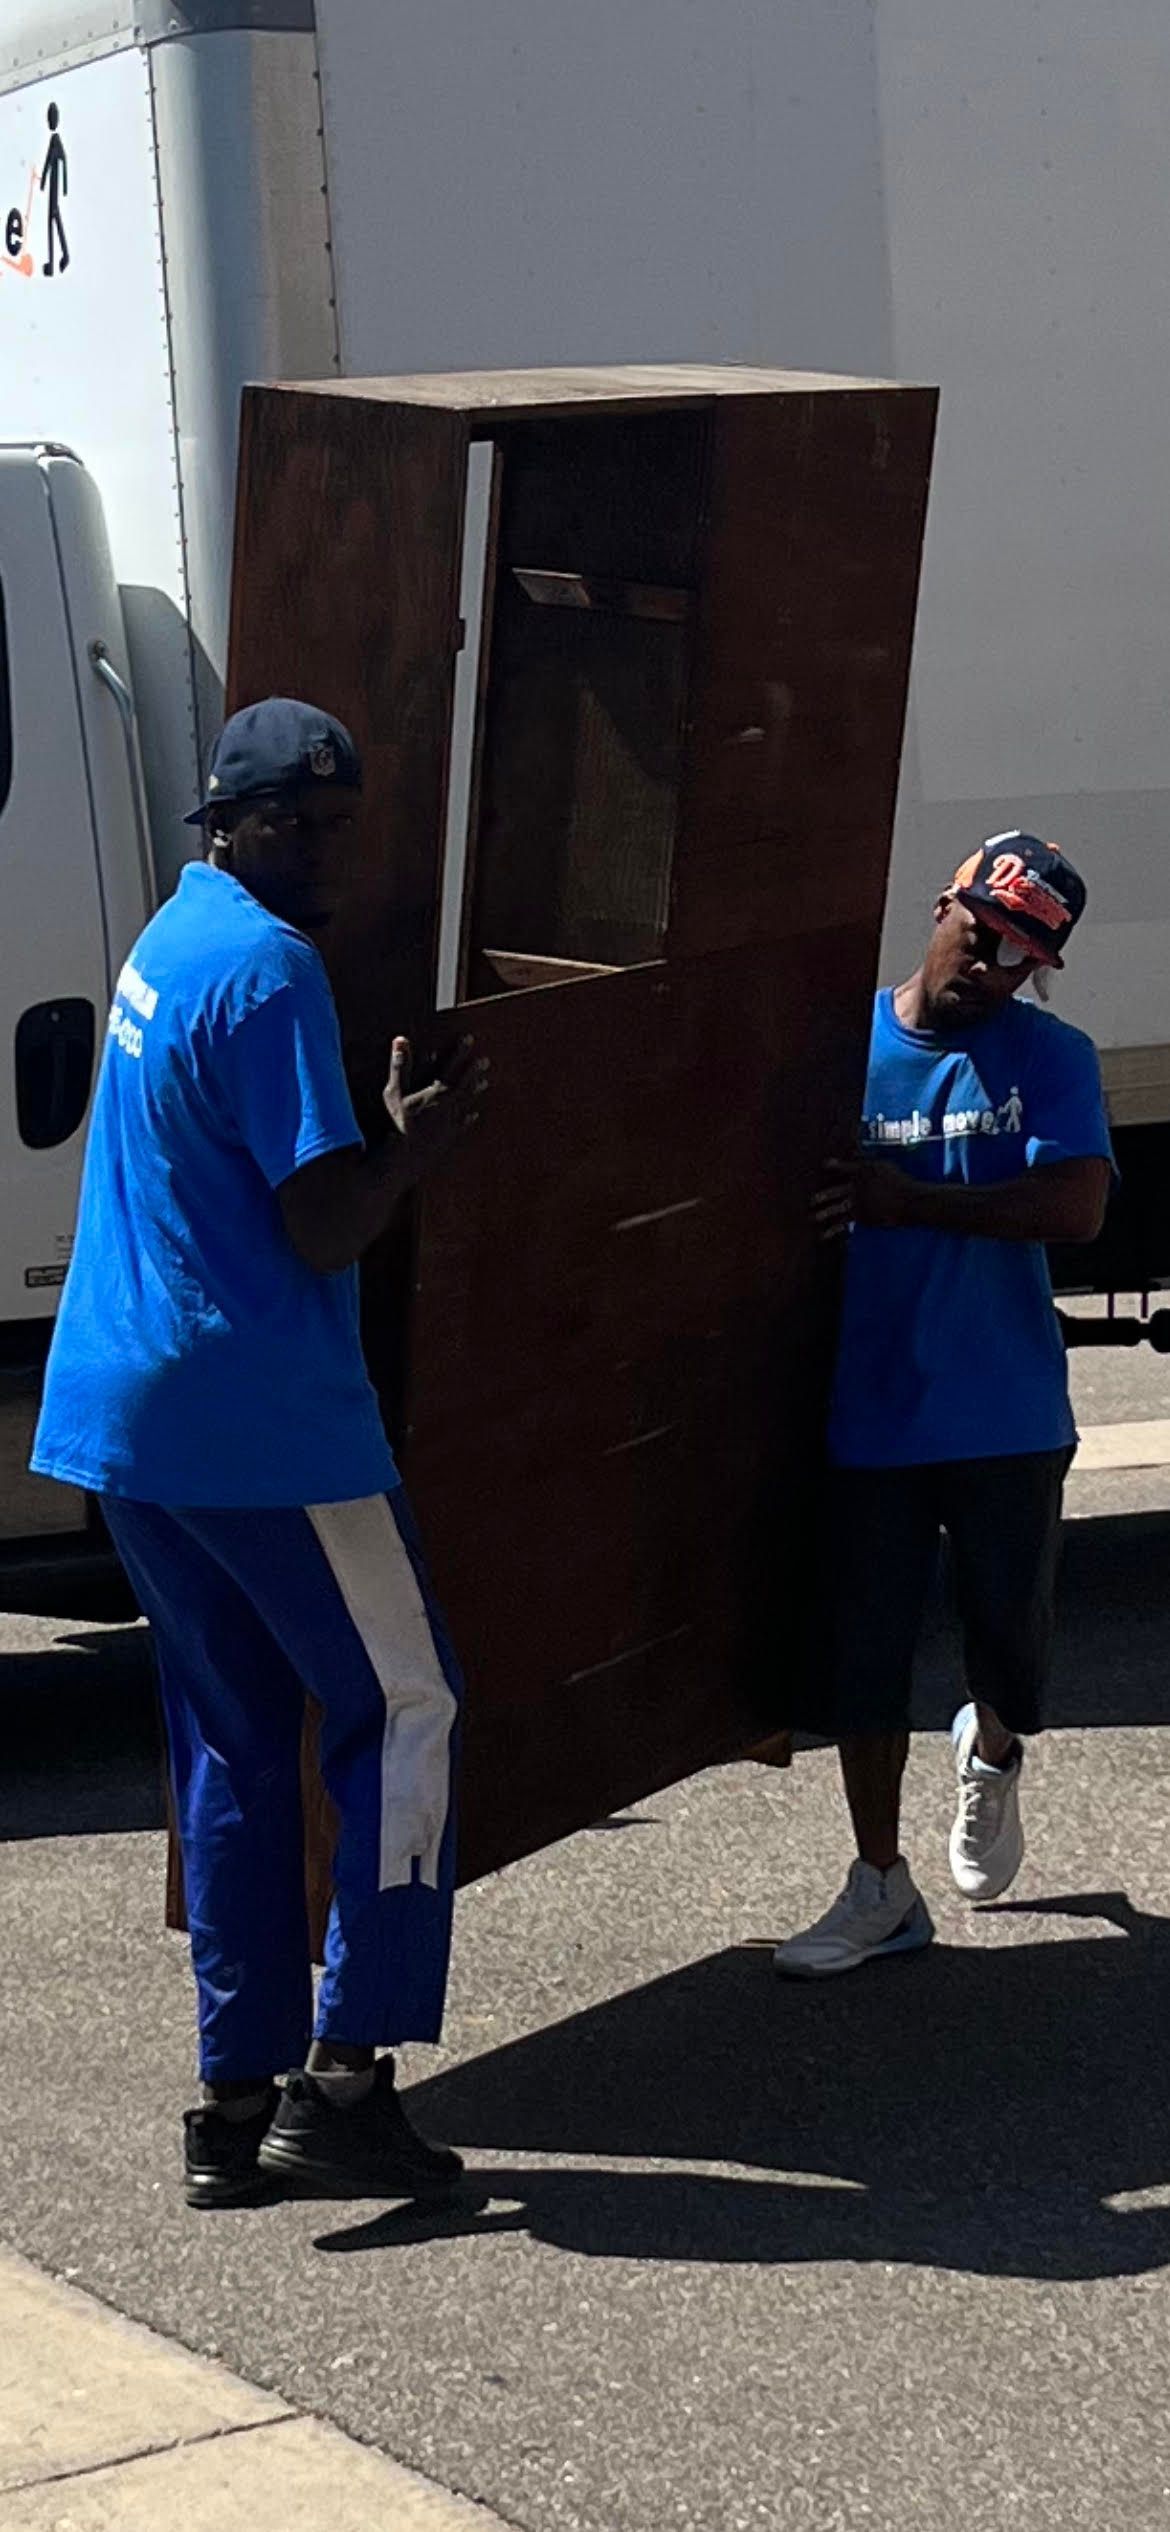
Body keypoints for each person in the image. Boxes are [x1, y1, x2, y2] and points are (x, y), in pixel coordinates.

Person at [32, 697, 488, 2205]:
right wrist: (413, 1138)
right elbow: (320, 1223)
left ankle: (231, 2102)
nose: (324, 854)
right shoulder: (272, 969)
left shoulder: (169, 937)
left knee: (232, 1737)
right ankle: (346, 2081)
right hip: (262, 1425)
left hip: (127, 1424)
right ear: (225, 820)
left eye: (338, 825)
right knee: (406, 1705)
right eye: (295, 823)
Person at [774, 832, 1113, 1978]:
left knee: (1009, 1652)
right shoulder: (841, 1050)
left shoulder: (1049, 1059)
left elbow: (1075, 1210)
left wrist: (908, 1204)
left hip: (1006, 1411)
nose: (988, 965)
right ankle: (879, 1885)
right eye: (981, 932)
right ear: (943, 905)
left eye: (1018, 958)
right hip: (870, 1410)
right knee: (863, 1659)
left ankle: (996, 1745)